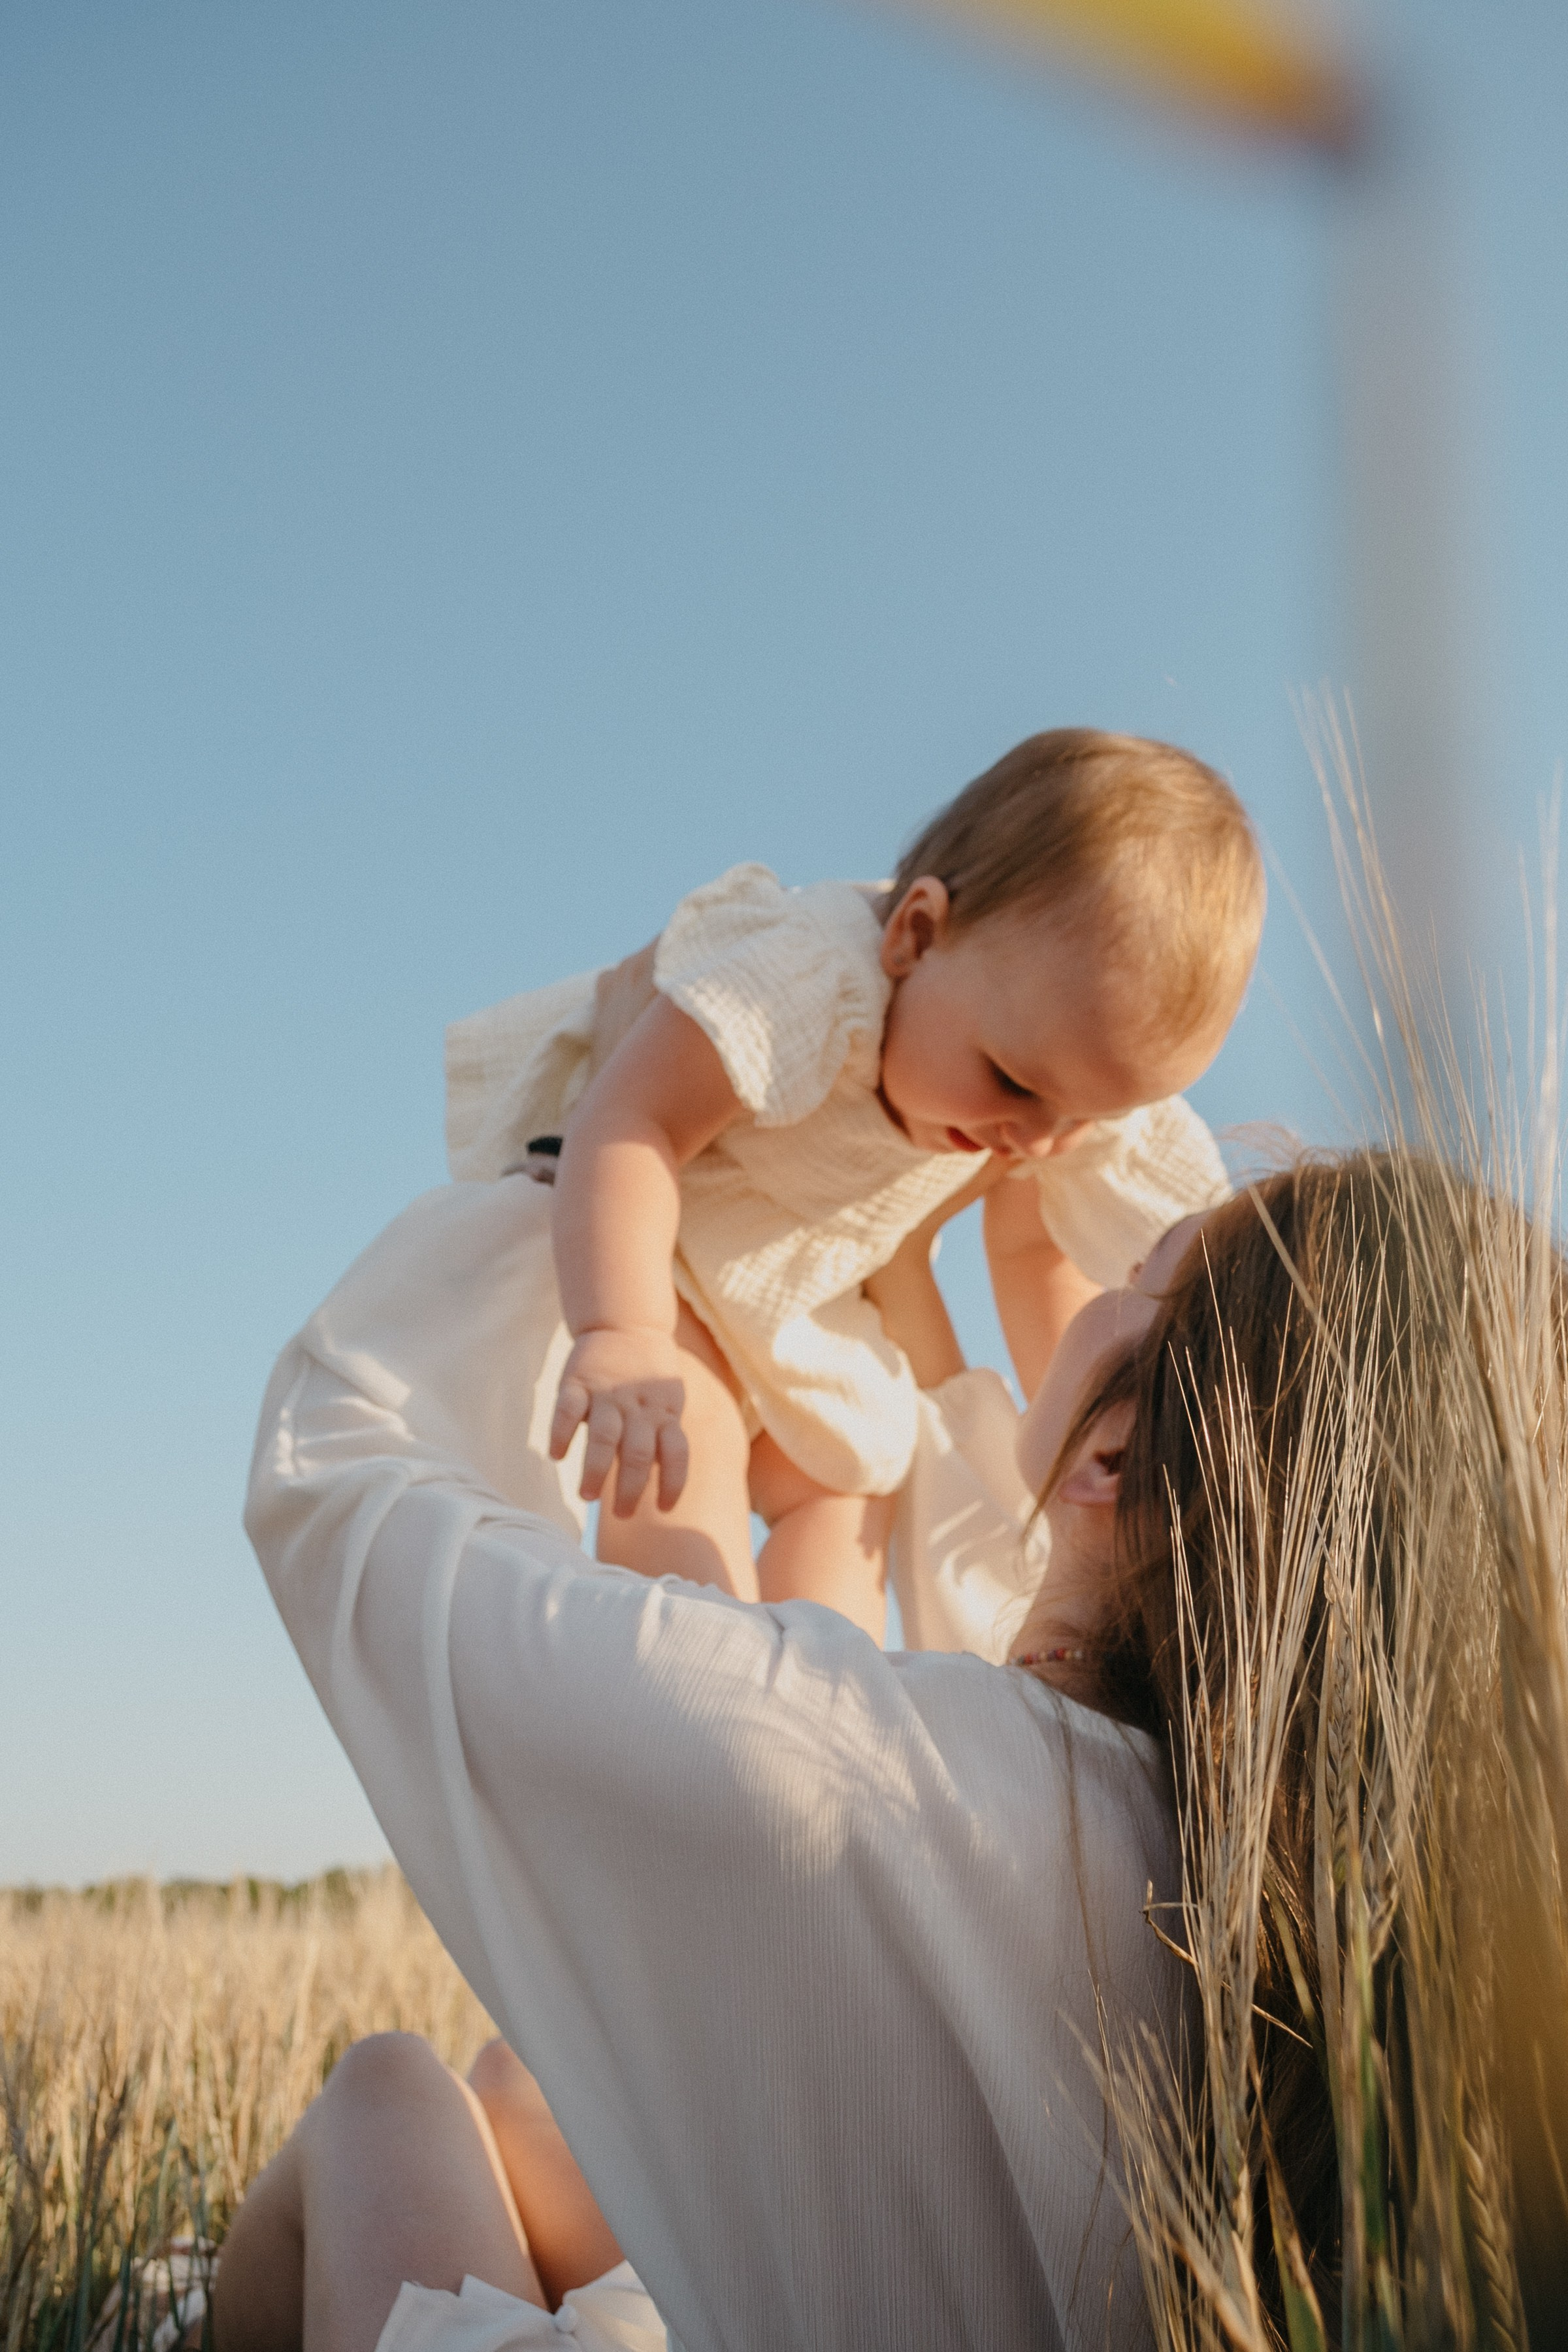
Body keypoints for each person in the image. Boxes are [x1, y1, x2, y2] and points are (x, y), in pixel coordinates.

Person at [445, 728, 1262, 1635]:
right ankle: (691, 1662)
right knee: (680, 1433)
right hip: (669, 1246)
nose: (1036, 1139)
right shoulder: (810, 977)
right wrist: (624, 1331)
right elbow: (635, 1119)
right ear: (916, 934)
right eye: (1010, 1083)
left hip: (805, 1299)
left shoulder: (1048, 1071)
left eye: (1083, 1120)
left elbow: (1041, 1254)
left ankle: (825, 1682)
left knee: (853, 1477)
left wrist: (1084, 1418)